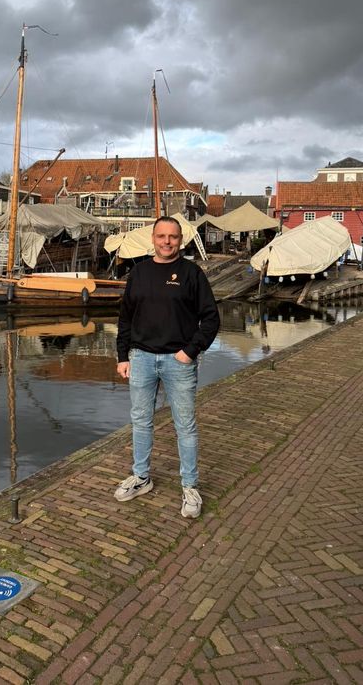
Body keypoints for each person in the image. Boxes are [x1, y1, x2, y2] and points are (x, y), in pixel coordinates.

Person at [115, 216, 220, 518]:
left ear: (180, 240)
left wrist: (190, 351)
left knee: (185, 426)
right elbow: (125, 318)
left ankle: (190, 486)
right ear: (153, 238)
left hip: (178, 361)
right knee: (140, 421)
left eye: (172, 237)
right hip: (141, 359)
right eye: (161, 236)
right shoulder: (138, 273)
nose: (167, 242)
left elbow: (211, 318)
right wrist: (123, 356)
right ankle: (141, 477)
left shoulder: (191, 274)